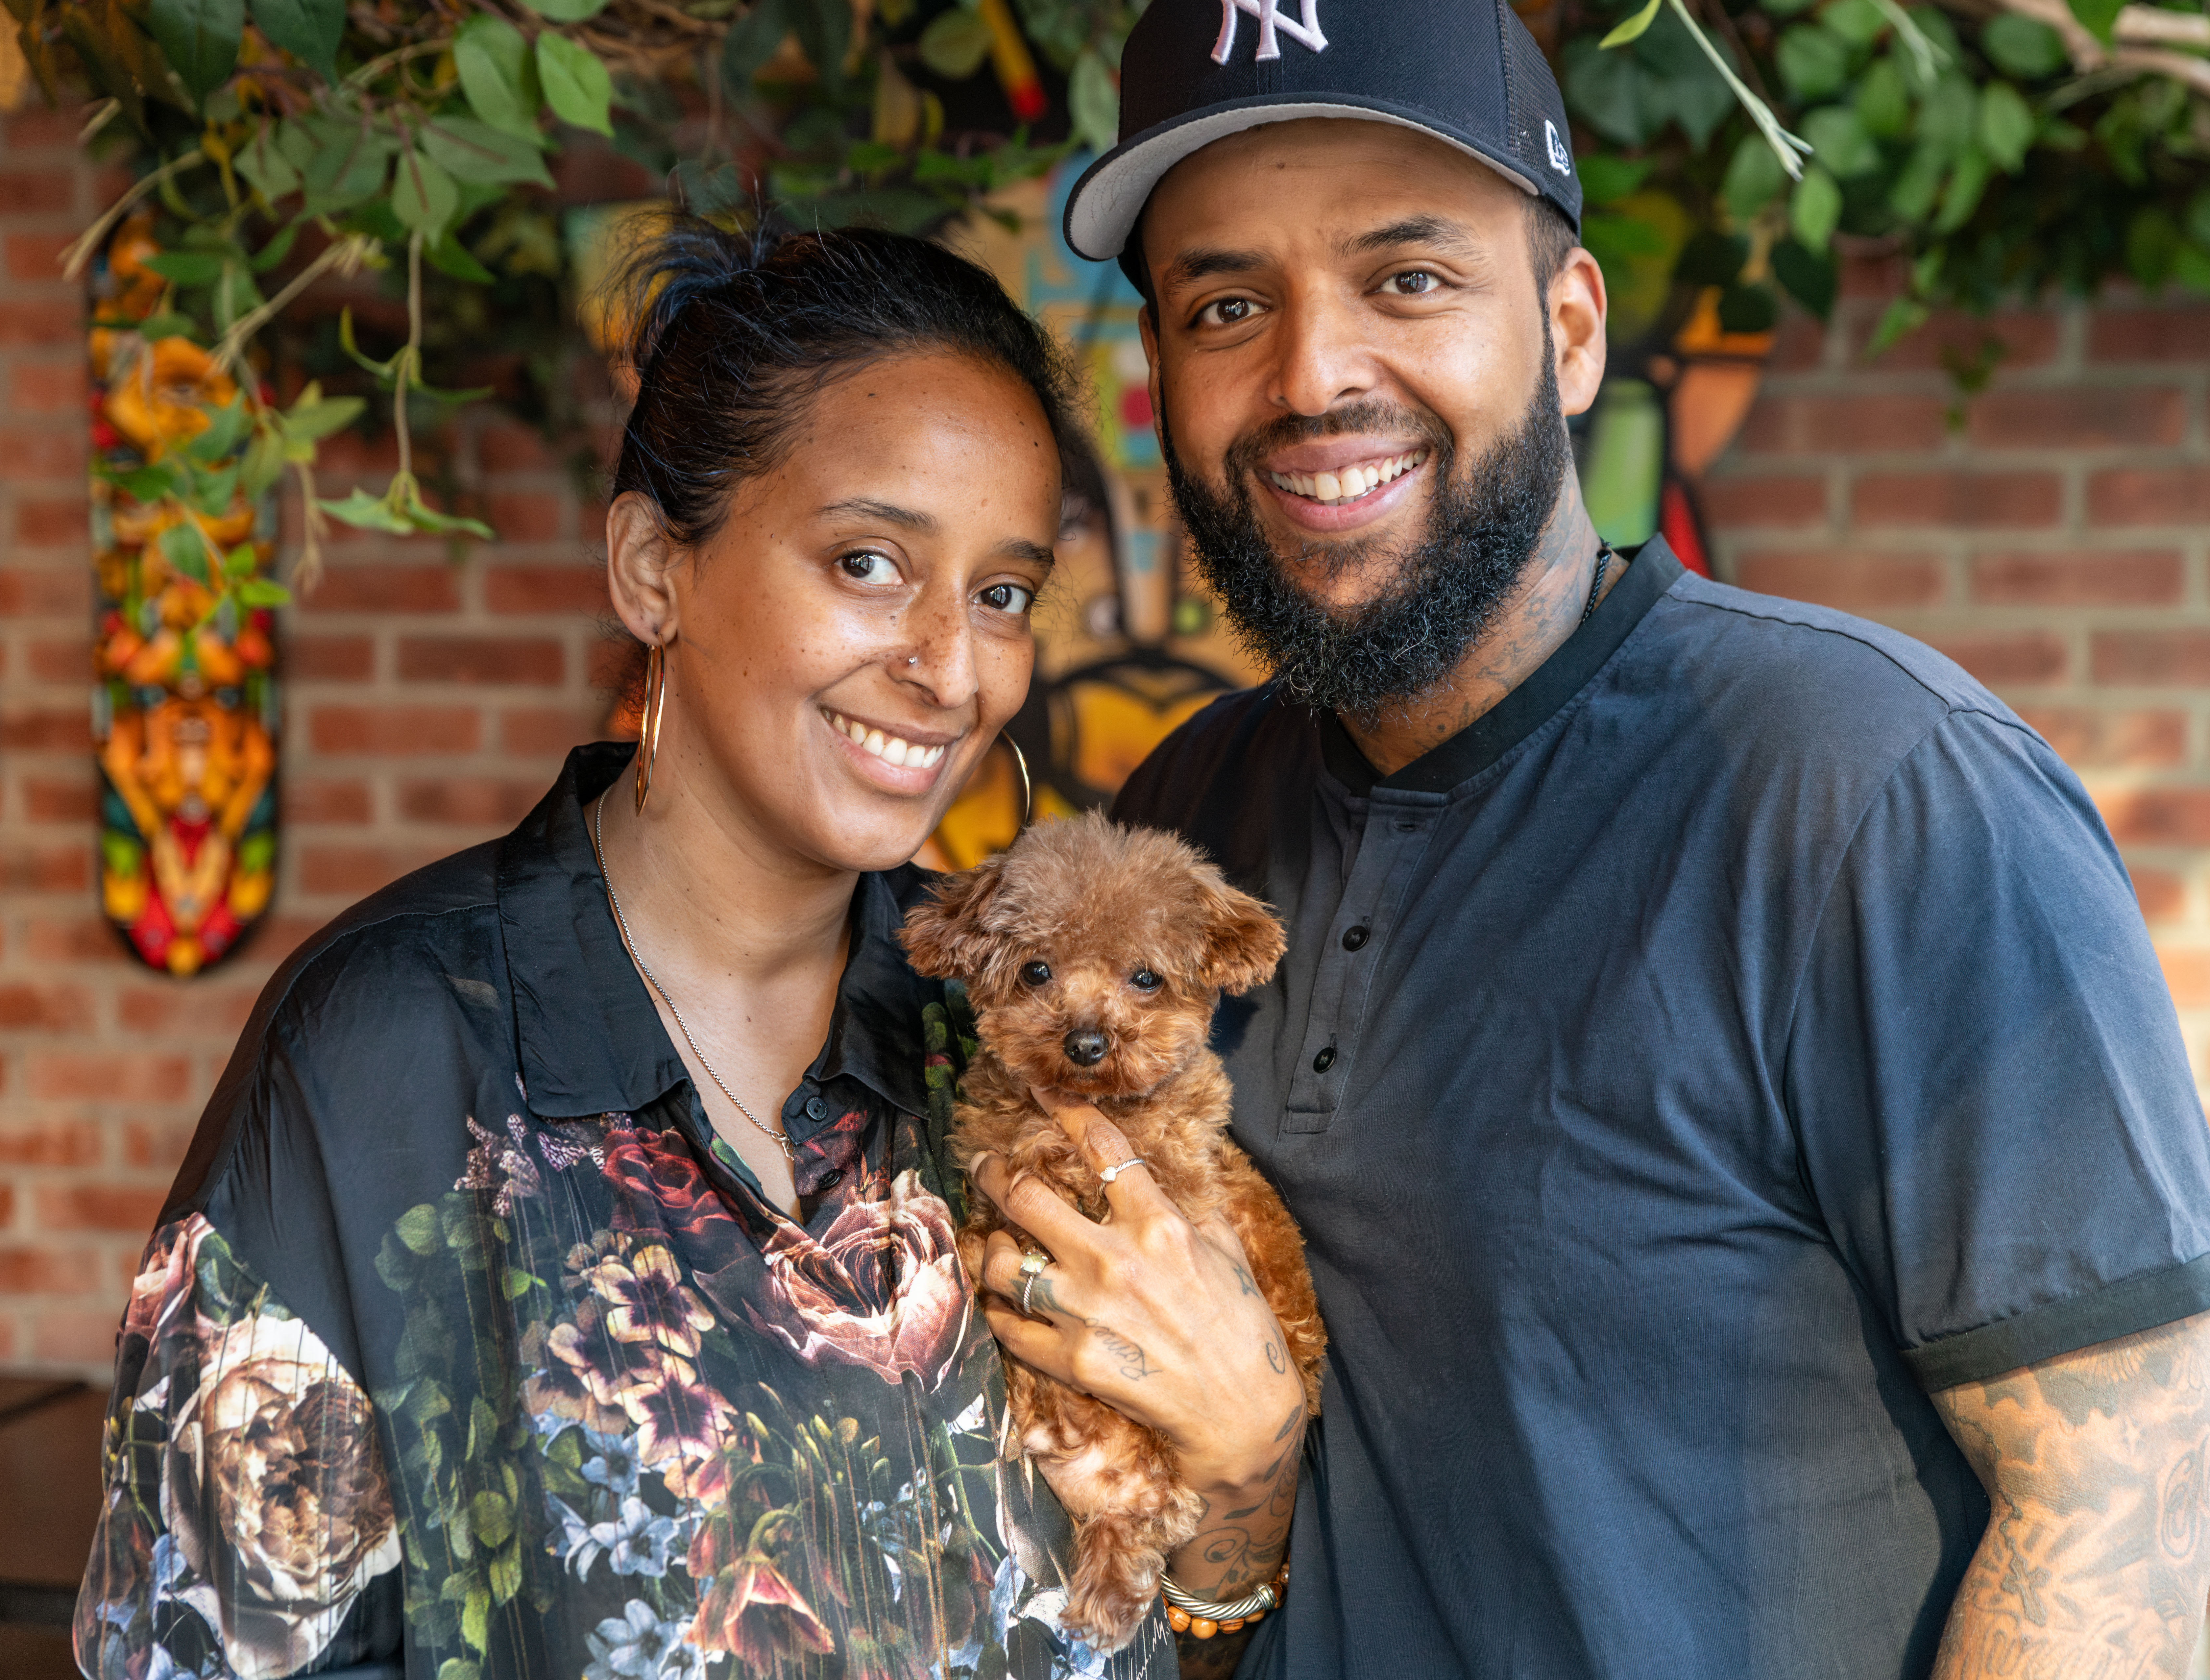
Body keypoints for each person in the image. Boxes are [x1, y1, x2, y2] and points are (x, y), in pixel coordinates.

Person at [1012, 0, 2210, 1680]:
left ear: (1572, 331)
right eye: (1228, 306)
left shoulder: (1879, 796)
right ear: (1164, 387)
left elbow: (2119, 1518)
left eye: (1409, 279)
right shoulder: (1190, 820)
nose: (1309, 377)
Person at [72, 219, 1300, 1680]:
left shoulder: (1005, 1037)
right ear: (655, 568)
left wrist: (1249, 1480)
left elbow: (1149, 1614)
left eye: (1003, 592)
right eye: (867, 560)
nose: (953, 665)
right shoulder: (389, 1054)